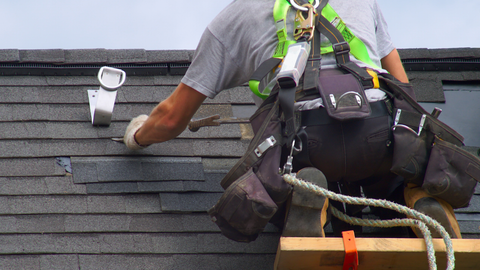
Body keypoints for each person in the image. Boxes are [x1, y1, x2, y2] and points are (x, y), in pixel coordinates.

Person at [123, 0, 461, 238]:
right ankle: (415, 197)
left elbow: (171, 119)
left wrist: (136, 136)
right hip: (379, 135)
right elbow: (404, 92)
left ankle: (307, 203)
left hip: (306, 144)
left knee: (279, 178)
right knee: (394, 170)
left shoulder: (234, 18)